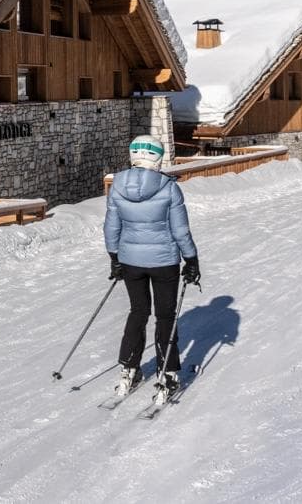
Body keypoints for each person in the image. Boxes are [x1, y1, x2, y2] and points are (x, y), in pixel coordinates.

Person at [105, 135, 200, 403]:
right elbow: (180, 230)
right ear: (158, 157)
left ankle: (128, 368)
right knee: (165, 316)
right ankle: (167, 373)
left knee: (138, 311)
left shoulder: (117, 186)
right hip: (164, 262)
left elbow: (112, 227)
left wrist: (114, 256)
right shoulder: (168, 188)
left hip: (130, 261)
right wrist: (191, 259)